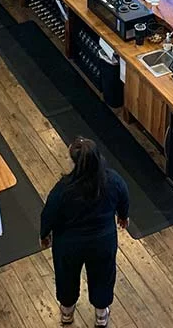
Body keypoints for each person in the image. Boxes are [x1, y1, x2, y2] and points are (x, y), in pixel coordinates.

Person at [40, 137, 129, 328]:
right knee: (103, 275)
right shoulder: (113, 180)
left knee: (66, 275)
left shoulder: (63, 189)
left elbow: (49, 213)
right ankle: (101, 315)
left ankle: (67, 313)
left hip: (69, 243)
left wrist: (44, 234)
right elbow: (124, 197)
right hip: (102, 241)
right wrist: (123, 215)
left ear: (75, 163)